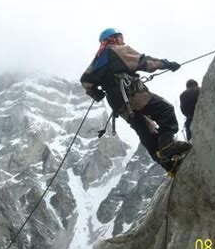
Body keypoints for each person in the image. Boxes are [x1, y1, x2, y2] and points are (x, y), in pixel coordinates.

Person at [80, 28, 191, 176]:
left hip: (117, 103)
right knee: (165, 109)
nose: (123, 40)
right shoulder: (117, 49)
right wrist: (167, 64)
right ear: (113, 39)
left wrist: (96, 93)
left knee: (145, 130)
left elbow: (85, 81)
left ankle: (169, 166)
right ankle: (167, 144)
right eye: (120, 37)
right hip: (131, 93)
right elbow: (144, 62)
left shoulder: (97, 60)